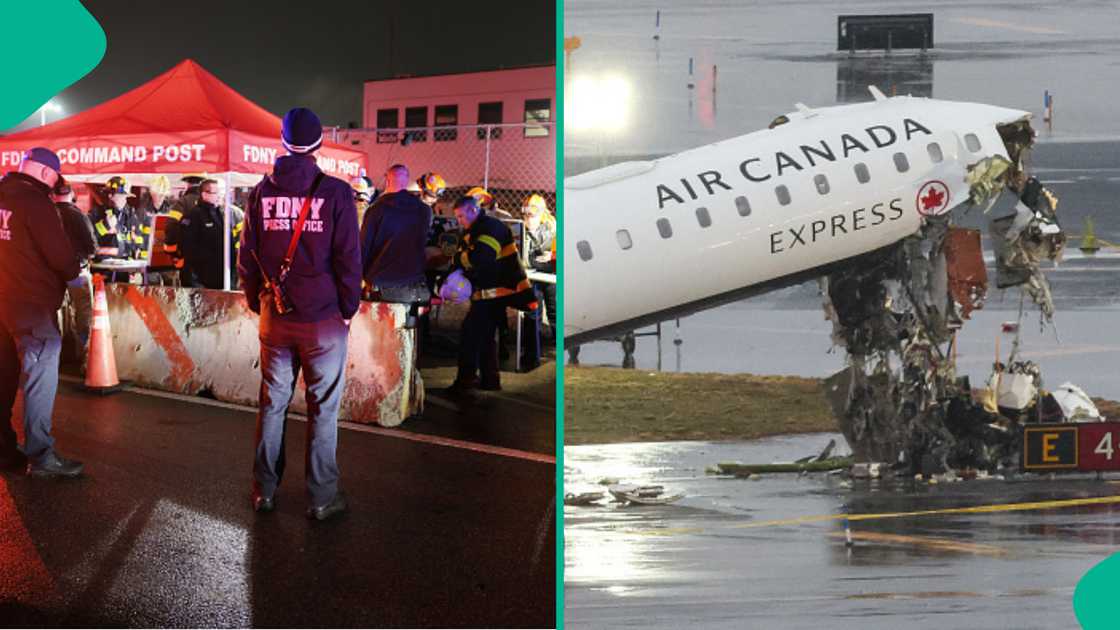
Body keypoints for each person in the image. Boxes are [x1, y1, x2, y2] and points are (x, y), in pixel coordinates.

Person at [238, 107, 360, 520]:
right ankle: (321, 498)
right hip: (324, 318)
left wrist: (258, 302)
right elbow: (348, 258)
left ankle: (264, 491)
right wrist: (347, 309)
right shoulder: (337, 193)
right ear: (319, 143)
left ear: (284, 142)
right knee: (323, 408)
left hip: (275, 315)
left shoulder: (260, 192)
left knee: (272, 404)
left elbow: (247, 257)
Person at [0, 148, 83, 476]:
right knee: (40, 374)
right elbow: (59, 255)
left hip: (3, 302)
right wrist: (74, 272)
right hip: (31, 305)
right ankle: (41, 455)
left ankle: (3, 450)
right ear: (48, 174)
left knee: (3, 376)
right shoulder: (36, 202)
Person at [442, 195, 535, 393]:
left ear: (473, 210)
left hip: (493, 294)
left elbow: (481, 257)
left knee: (470, 335)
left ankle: (465, 382)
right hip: (489, 294)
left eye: (460, 216)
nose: (458, 220)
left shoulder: (490, 228)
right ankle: (490, 380)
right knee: (485, 337)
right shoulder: (479, 228)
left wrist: (458, 259)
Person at [359, 164, 432, 304]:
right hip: (414, 284)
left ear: (387, 181)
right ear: (407, 181)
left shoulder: (376, 210)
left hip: (382, 285)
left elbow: (364, 247)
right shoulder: (424, 210)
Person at [52, 180, 97, 368]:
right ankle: (83, 357)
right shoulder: (78, 215)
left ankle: (57, 356)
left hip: (53, 274)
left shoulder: (46, 214)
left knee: (56, 312)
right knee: (83, 311)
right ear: (71, 195)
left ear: (53, 195)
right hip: (77, 273)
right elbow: (92, 247)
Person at [180, 178, 244, 290]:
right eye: (216, 192)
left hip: (225, 277)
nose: (220, 196)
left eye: (221, 192)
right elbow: (188, 249)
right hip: (203, 280)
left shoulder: (224, 213)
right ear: (204, 194)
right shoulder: (193, 216)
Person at [523, 193, 557, 342]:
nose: (528, 218)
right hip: (533, 276)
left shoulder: (552, 229)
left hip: (550, 276)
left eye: (532, 214)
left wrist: (553, 256)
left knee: (554, 310)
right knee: (532, 311)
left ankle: (558, 342)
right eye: (526, 214)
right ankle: (532, 345)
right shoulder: (522, 231)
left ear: (541, 214)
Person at [163, 174, 205, 286]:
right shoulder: (211, 203)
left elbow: (171, 227)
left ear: (187, 184)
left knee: (190, 294)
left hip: (188, 261)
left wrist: (174, 253)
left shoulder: (183, 203)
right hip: (209, 263)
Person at [89, 175, 132, 261]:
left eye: (113, 193)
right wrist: (105, 225)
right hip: (101, 263)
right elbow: (88, 238)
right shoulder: (96, 212)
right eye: (108, 193)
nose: (109, 196)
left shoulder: (130, 214)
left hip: (124, 263)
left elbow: (133, 240)